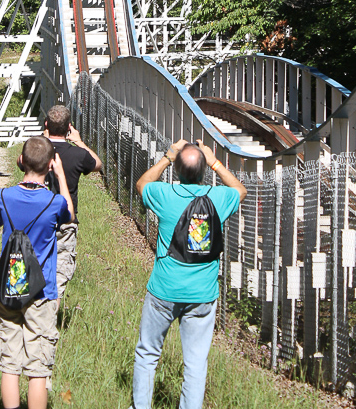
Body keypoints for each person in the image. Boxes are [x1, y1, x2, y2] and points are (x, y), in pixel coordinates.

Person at [129, 139, 247, 409]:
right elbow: (240, 190)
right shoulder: (218, 199)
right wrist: (214, 161)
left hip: (164, 289)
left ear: (177, 172)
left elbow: (141, 185)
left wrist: (167, 157)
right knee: (195, 363)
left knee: (147, 353)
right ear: (204, 171)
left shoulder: (165, 195)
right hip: (202, 294)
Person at [0, 136, 73, 409]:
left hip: (9, 287)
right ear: (51, 165)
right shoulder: (54, 203)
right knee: (38, 366)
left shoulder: (3, 196)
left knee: (9, 363)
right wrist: (60, 177)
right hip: (42, 290)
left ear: (20, 161)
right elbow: (69, 216)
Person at [43, 106, 101, 301]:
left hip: (39, 216)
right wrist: (78, 141)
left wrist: (41, 140)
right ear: (69, 127)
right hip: (66, 218)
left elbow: (21, 160)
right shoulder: (77, 155)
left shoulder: (37, 151)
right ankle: (50, 312)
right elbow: (97, 164)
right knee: (59, 274)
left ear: (46, 125)